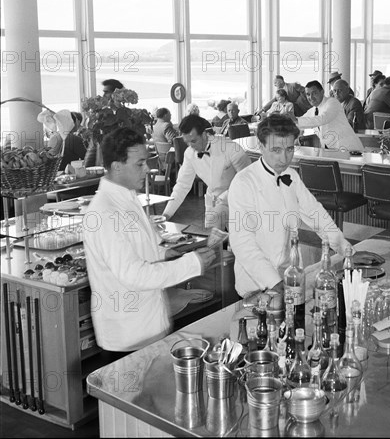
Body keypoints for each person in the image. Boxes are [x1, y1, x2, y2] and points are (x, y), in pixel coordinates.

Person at [83, 127, 216, 354]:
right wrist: (191, 264)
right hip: (128, 336)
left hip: (149, 325)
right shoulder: (105, 213)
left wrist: (163, 254)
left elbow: (139, 244)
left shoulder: (126, 196)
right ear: (116, 166)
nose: (148, 169)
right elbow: (133, 275)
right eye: (140, 163)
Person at [227, 114, 353, 298]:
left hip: (291, 275)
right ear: (261, 146)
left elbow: (316, 214)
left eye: (289, 149)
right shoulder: (244, 182)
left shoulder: (291, 176)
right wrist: (274, 282)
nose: (284, 158)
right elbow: (242, 243)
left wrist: (347, 252)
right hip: (256, 284)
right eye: (276, 150)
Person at [163, 114, 251, 229]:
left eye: (193, 141)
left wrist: (223, 199)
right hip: (212, 201)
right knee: (212, 242)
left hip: (238, 201)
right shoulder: (189, 154)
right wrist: (166, 214)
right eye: (187, 142)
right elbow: (182, 185)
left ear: (204, 135)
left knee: (237, 243)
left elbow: (247, 182)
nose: (191, 146)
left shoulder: (231, 148)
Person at [297, 80, 364, 152]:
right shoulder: (312, 110)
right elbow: (301, 121)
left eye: (314, 93)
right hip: (332, 152)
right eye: (308, 94)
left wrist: (296, 120)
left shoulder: (333, 102)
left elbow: (323, 119)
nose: (311, 97)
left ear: (322, 92)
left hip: (349, 149)